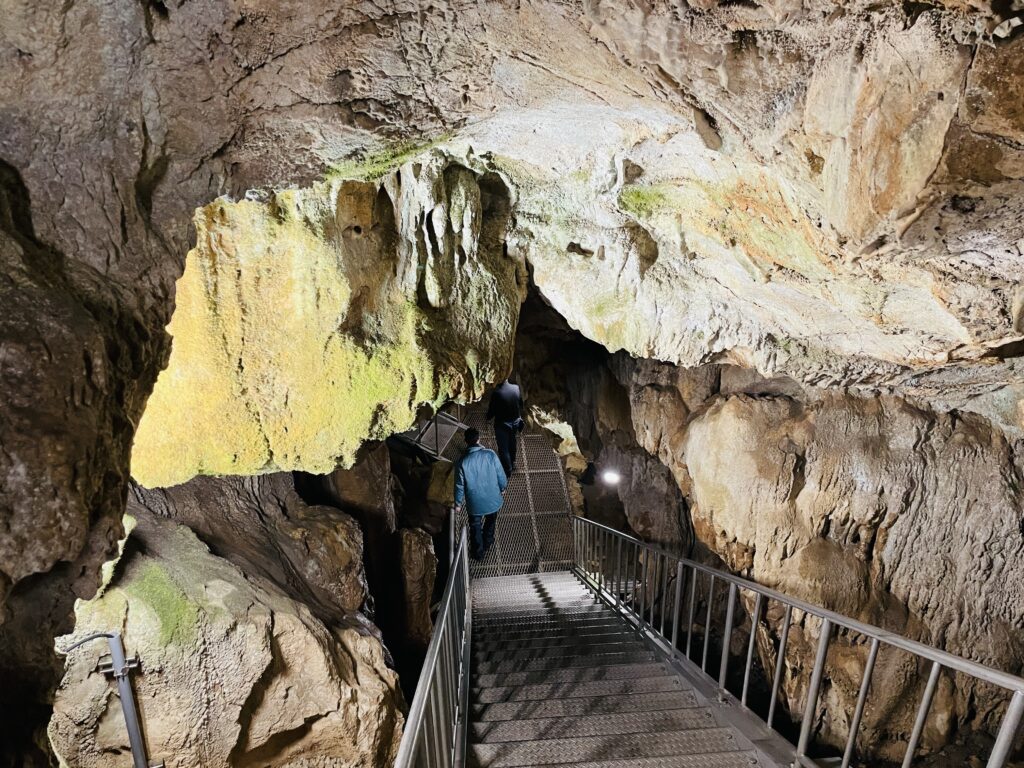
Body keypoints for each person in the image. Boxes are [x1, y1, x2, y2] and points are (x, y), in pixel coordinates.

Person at [454, 428, 507, 560]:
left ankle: (478, 553)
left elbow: (459, 485)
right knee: (491, 520)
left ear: (466, 442)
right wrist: (503, 487)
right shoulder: (490, 454)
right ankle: (488, 541)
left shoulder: (462, 462)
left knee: (475, 526)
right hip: (492, 498)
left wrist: (458, 503)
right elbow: (500, 473)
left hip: (474, 502)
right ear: (478, 439)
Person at [486, 377, 524, 476]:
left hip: (502, 424)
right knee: (512, 442)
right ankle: (513, 462)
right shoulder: (516, 388)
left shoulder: (497, 393)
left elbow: (492, 409)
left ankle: (508, 470)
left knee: (503, 448)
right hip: (515, 422)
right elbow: (520, 403)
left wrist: (488, 418)